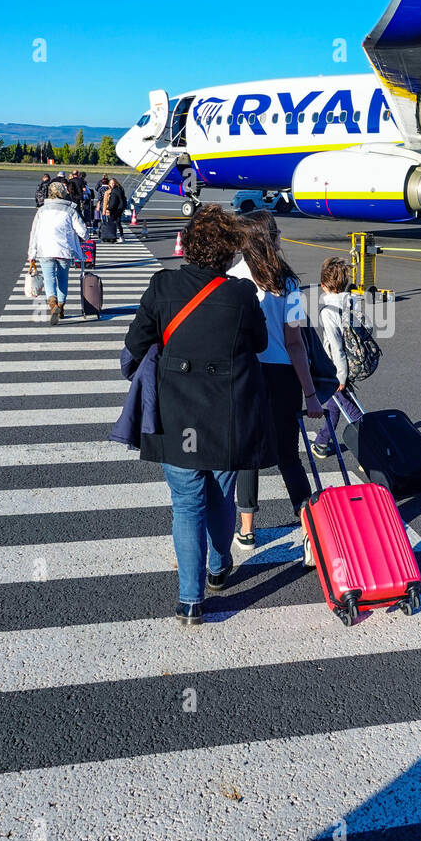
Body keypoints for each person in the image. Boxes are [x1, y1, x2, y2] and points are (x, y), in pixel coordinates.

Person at [123, 205, 268, 626]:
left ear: (186, 244)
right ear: (227, 253)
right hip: (226, 411)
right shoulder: (240, 294)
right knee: (221, 494)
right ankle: (220, 567)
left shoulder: (163, 284)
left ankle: (191, 601)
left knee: (186, 504)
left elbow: (136, 342)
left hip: (176, 411)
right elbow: (257, 343)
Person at [228, 210, 323, 548]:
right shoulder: (291, 283)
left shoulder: (232, 277)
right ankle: (311, 528)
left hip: (248, 374)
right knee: (289, 454)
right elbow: (296, 343)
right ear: (268, 238)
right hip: (284, 376)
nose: (281, 235)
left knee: (247, 453)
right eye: (277, 231)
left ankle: (247, 528)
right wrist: (310, 393)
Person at [310, 255, 364, 458]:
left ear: (323, 285)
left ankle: (368, 452)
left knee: (351, 410)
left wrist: (340, 376)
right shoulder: (353, 301)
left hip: (337, 367)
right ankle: (322, 442)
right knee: (335, 405)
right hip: (355, 361)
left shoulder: (328, 311)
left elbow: (336, 346)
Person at [27, 180, 87, 323]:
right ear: (63, 193)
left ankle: (52, 303)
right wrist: (83, 238)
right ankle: (61, 305)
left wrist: (32, 254)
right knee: (63, 279)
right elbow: (83, 231)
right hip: (64, 250)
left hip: (45, 249)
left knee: (49, 278)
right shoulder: (70, 210)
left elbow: (34, 233)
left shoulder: (41, 211)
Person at [104, 176, 127, 240]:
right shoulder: (120, 189)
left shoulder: (114, 191)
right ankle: (121, 236)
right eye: (111, 183)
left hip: (115, 209)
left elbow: (113, 201)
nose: (112, 184)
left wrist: (108, 209)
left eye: (113, 183)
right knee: (118, 222)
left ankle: (113, 235)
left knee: (112, 222)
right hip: (120, 208)